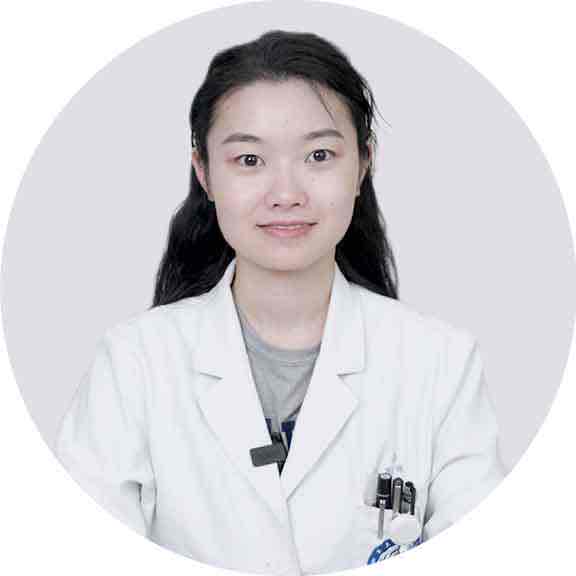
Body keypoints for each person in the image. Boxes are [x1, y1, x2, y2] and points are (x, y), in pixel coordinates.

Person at [55, 30, 506, 574]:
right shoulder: (133, 364)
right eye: (249, 159)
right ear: (204, 172)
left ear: (364, 164)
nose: (286, 193)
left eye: (319, 155)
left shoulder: (441, 363)